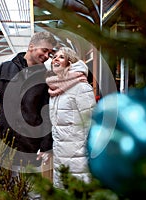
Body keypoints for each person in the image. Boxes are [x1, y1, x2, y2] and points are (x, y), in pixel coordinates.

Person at [0, 31, 58, 171]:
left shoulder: (46, 77)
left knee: (27, 188)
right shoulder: (6, 68)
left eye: (49, 53)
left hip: (29, 143)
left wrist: (46, 146)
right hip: (2, 139)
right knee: (1, 187)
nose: (46, 57)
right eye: (44, 51)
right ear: (31, 46)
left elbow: (47, 113)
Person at [45, 47, 96, 188]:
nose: (55, 59)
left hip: (78, 157)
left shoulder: (81, 87)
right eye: (54, 56)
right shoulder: (56, 89)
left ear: (70, 63)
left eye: (61, 57)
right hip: (61, 154)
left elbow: (91, 123)